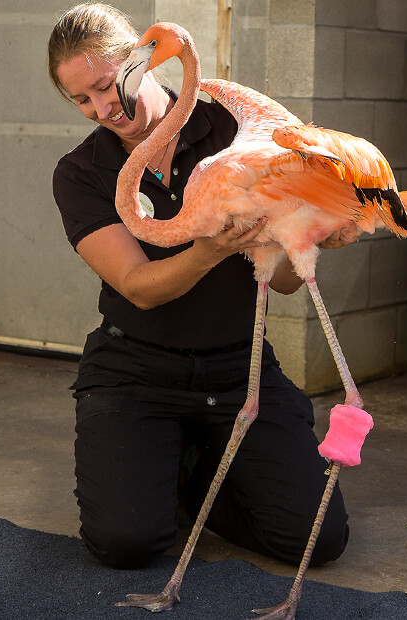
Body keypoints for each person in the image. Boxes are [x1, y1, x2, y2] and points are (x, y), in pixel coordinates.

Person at [47, 2, 353, 570]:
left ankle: (198, 473)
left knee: (316, 540)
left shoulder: (238, 136)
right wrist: (211, 246)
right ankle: (171, 467)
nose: (102, 109)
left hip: (239, 367)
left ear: (142, 61)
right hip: (136, 371)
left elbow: (283, 284)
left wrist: (308, 239)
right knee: (128, 542)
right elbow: (138, 286)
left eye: (108, 86)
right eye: (81, 100)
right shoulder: (83, 173)